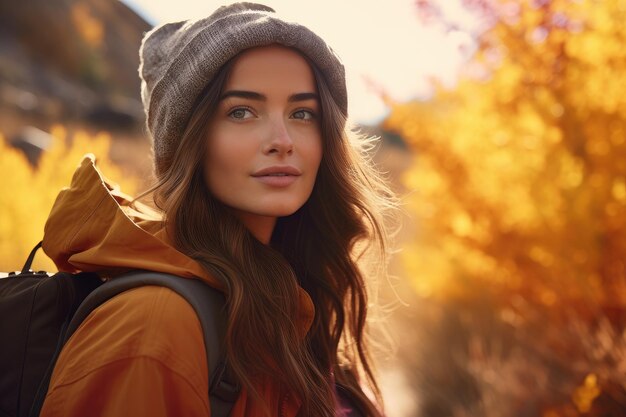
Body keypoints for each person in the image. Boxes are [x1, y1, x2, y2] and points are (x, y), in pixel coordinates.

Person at [39, 3, 396, 417]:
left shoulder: (295, 305)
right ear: (188, 142)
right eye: (241, 111)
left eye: (302, 113)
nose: (282, 140)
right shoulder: (155, 326)